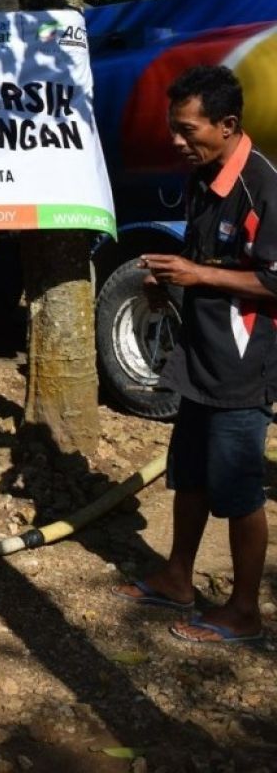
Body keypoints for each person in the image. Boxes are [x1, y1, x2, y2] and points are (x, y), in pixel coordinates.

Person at [110, 65, 277, 644]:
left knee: (238, 490)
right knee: (191, 476)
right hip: (198, 358)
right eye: (173, 129)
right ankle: (178, 576)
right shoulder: (202, 178)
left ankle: (245, 611)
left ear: (228, 125)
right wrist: (172, 281)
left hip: (241, 366)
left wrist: (194, 273)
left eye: (188, 130)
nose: (177, 142)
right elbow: (205, 258)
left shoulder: (264, 187)